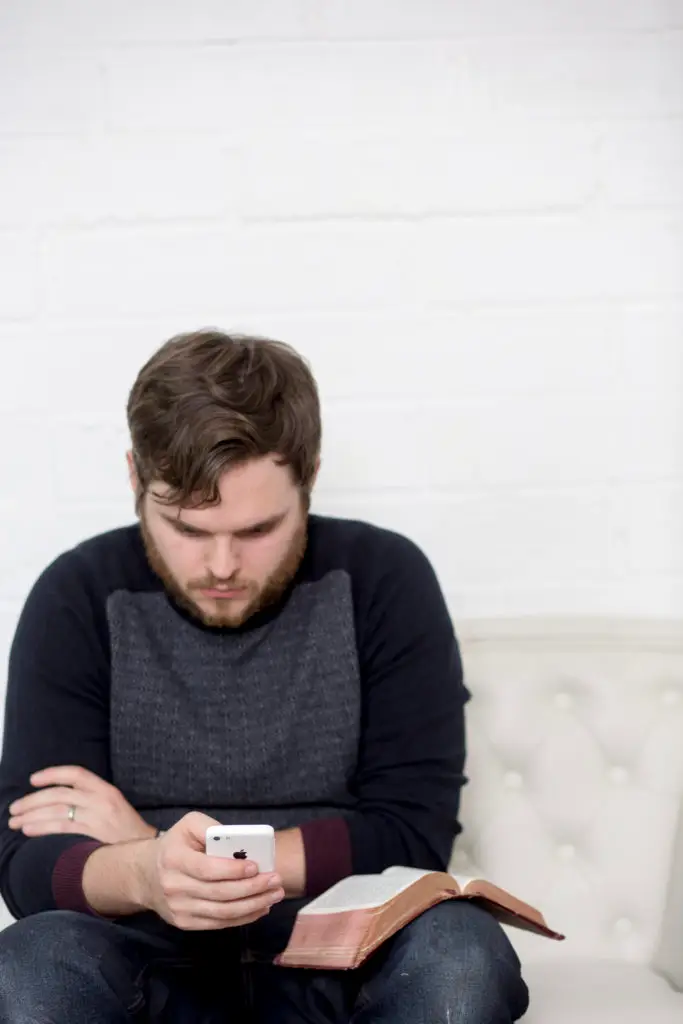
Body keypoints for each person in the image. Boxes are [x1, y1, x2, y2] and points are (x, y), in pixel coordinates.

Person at [0, 330, 529, 1023]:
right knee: (27, 968)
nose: (221, 565)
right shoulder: (79, 594)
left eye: (255, 531)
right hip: (147, 951)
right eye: (188, 529)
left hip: (344, 945)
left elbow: (410, 835)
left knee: (462, 956)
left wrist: (157, 848)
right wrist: (145, 872)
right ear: (136, 478)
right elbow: (29, 864)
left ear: (308, 473)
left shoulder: (382, 580)